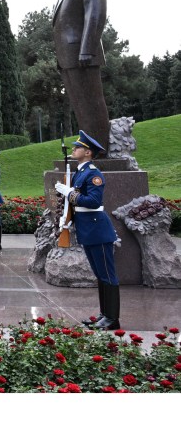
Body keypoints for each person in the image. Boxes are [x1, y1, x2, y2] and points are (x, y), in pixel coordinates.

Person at [55, 130, 121, 330]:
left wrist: (70, 193)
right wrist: (67, 218)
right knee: (100, 274)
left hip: (97, 229)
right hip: (87, 229)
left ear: (88, 152)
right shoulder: (80, 172)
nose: (74, 149)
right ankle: (104, 314)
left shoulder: (93, 174)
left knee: (107, 274)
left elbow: (93, 202)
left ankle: (113, 318)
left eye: (78, 147)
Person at [52, 0, 111, 148]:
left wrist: (87, 49)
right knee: (79, 105)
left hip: (81, 53)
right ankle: (87, 146)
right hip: (68, 56)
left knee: (90, 103)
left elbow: (95, 14)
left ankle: (98, 147)